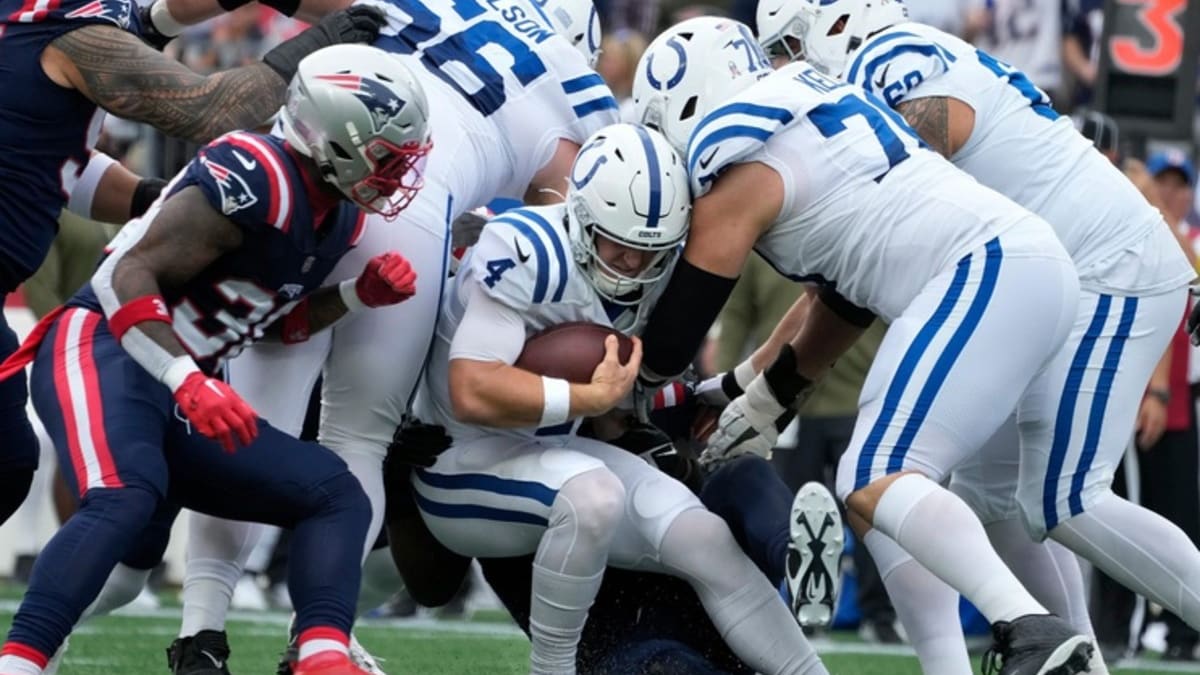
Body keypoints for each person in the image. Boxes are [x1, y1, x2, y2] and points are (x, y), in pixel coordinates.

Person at [124, 2, 623, 672]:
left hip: (306, 174)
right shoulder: (573, 90)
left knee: (252, 425)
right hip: (409, 202)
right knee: (355, 438)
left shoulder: (450, 7)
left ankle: (201, 634)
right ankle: (318, 636)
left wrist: (155, 18)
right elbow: (574, 230)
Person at [632, 16, 1095, 675]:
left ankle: (1029, 628)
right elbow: (847, 296)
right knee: (900, 498)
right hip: (1026, 267)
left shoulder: (735, 152)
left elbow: (675, 335)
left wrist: (626, 386)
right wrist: (758, 393)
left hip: (982, 271)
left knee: (876, 474)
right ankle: (998, 659)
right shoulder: (814, 104)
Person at [758, 2, 1198, 672]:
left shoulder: (889, 55)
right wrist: (759, 387)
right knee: (991, 498)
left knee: (1064, 495)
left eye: (788, 48)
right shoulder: (884, 74)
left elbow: (938, 143)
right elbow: (847, 282)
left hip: (1106, 269)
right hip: (1053, 277)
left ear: (833, 24)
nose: (786, 72)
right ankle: (1076, 662)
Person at [0, 44, 433, 675]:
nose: (396, 174)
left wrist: (352, 296)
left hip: (174, 386)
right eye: (387, 157)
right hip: (102, 347)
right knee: (124, 496)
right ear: (335, 137)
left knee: (333, 491)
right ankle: (19, 664)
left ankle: (320, 655)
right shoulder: (255, 170)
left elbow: (264, 324)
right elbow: (127, 272)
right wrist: (187, 380)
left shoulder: (335, 220)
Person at [408, 122, 828, 675]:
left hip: (550, 452)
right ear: (582, 216)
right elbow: (471, 389)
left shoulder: (655, 271)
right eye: (620, 245)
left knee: (702, 537)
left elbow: (634, 391)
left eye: (648, 251)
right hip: (461, 462)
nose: (632, 264)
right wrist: (587, 396)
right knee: (592, 496)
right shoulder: (528, 251)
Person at [0, 0, 384, 529]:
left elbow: (62, 166)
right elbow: (209, 112)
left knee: (8, 460)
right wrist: (313, 46)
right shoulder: (67, 37)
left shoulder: (34, 38)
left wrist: (164, 201)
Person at [385, 415, 832, 675]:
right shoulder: (477, 466)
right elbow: (433, 587)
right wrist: (404, 492)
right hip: (627, 643)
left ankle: (792, 551)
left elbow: (702, 487)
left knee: (741, 474)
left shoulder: (627, 376)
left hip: (720, 596)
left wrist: (679, 467)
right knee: (665, 665)